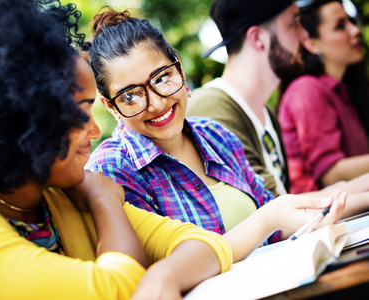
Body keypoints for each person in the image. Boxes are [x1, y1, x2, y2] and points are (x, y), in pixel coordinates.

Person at [0, 1, 235, 299]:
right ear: (18, 119)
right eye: (80, 111)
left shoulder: (57, 197)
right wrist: (104, 201)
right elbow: (119, 290)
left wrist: (166, 274)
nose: (95, 131)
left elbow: (204, 244)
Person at [84, 7, 346, 262]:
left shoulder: (215, 135)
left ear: (180, 70)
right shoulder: (112, 168)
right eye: (130, 96)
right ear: (110, 106)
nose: (156, 103)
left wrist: (317, 216)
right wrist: (266, 220)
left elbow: (277, 225)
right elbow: (164, 270)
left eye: (162, 78)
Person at [186, 0, 369, 198]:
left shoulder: (265, 113)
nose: (305, 34)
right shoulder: (212, 108)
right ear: (258, 38)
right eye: (293, 23)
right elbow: (275, 212)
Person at [278, 0, 369, 194]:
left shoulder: (341, 90)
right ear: (312, 43)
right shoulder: (307, 90)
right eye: (340, 26)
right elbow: (330, 173)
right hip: (326, 219)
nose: (355, 31)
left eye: (352, 22)